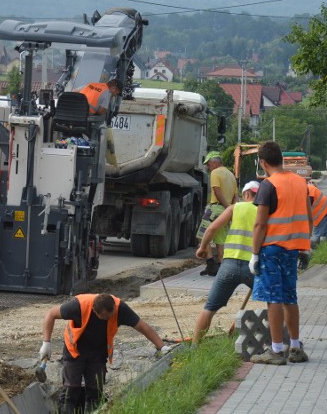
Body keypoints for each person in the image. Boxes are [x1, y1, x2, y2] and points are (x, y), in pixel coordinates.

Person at [40, 293, 171, 413]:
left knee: (95, 392)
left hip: (98, 352)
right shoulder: (78, 306)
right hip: (75, 349)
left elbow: (142, 326)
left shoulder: (120, 309)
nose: (109, 319)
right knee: (70, 392)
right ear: (95, 311)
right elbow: (51, 314)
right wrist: (46, 343)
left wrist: (162, 347)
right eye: (105, 317)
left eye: (111, 315)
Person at [248, 141, 312, 365]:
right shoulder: (300, 182)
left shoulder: (268, 185)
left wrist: (255, 254)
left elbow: (260, 225)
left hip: (272, 248)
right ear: (282, 159)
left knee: (273, 299)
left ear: (263, 163)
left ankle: (276, 350)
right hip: (293, 248)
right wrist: (306, 245)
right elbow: (308, 216)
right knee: (289, 297)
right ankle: (295, 347)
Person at [192, 180, 259, 344]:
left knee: (209, 308)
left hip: (228, 266)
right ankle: (279, 342)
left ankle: (194, 348)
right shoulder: (264, 212)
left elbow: (212, 228)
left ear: (246, 194)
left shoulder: (234, 208)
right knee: (275, 302)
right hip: (253, 268)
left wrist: (202, 247)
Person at [197, 151, 239, 276]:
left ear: (215, 162)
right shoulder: (231, 175)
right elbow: (236, 196)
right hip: (227, 211)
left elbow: (217, 191)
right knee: (221, 240)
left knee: (202, 235)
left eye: (208, 164)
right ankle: (221, 268)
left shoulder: (215, 173)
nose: (208, 168)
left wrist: (227, 207)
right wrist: (232, 209)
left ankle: (211, 264)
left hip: (215, 209)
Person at [307, 182, 327, 247]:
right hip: (326, 208)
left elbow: (308, 205)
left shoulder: (309, 189)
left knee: (315, 234)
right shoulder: (308, 188)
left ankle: (312, 253)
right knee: (325, 232)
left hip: (323, 211)